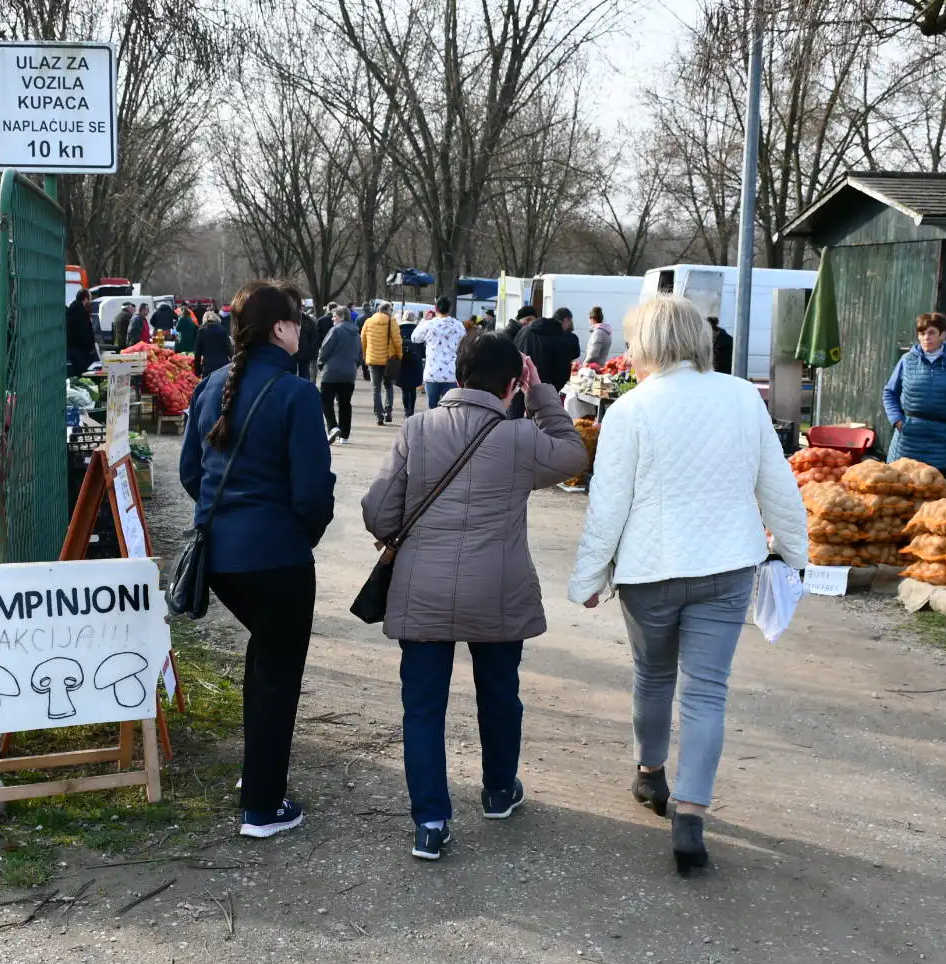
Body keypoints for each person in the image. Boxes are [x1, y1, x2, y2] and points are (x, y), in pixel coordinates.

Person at [568, 295, 808, 876]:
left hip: (651, 569)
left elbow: (608, 507)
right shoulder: (740, 398)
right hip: (727, 564)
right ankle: (692, 812)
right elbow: (777, 483)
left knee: (653, 675)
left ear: (644, 343)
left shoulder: (631, 409)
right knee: (707, 692)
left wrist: (589, 578)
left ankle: (651, 775)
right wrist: (795, 555)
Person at [361, 333, 590, 860]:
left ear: (456, 376)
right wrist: (542, 397)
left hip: (422, 587)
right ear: (513, 384)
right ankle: (497, 790)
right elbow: (574, 454)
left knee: (422, 707)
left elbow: (377, 511)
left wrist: (401, 529)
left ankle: (431, 822)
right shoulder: (520, 439)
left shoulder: (417, 429)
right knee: (500, 694)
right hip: (499, 589)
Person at [179, 281, 336, 839]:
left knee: (263, 664)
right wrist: (301, 536)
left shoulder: (212, 385)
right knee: (276, 675)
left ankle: (258, 779)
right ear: (279, 328)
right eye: (297, 320)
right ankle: (263, 807)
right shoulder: (296, 395)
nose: (302, 328)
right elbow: (314, 495)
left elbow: (191, 475)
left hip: (221, 560)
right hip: (278, 559)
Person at [882, 312, 946, 473]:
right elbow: (889, 393)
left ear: (943, 335)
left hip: (942, 438)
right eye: (922, 333)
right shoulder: (907, 360)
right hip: (909, 437)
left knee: (937, 493)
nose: (926, 338)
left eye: (931, 333)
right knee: (901, 491)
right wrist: (897, 421)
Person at [511, 305, 576, 418]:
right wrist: (554, 389)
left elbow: (513, 353)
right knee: (540, 425)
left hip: (518, 385)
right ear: (565, 321)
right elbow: (563, 370)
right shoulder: (560, 337)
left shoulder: (525, 330)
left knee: (514, 423)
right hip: (543, 391)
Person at [317, 306, 361, 443]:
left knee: (325, 399)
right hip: (349, 373)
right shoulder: (356, 333)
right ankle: (345, 435)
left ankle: (332, 426)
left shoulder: (336, 330)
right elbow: (360, 353)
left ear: (341, 317)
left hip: (332, 371)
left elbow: (325, 348)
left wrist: (320, 361)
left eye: (334, 316)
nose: (332, 318)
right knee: (345, 403)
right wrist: (354, 366)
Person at [414, 294, 466, 409]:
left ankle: (434, 427)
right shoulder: (458, 326)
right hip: (451, 373)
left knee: (432, 408)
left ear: (435, 309)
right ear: (450, 308)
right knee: (450, 409)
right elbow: (464, 344)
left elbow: (415, 338)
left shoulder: (428, 325)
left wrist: (423, 320)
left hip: (432, 374)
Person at [361, 300, 402, 424]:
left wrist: (365, 356)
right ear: (387, 310)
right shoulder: (392, 322)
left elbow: (363, 340)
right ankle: (388, 411)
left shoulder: (368, 322)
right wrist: (399, 356)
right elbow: (397, 341)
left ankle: (379, 415)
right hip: (388, 360)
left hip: (373, 360)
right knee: (388, 386)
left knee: (376, 389)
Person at [65, 288, 99, 377]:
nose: (90, 301)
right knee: (81, 373)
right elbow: (83, 331)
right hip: (79, 350)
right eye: (90, 299)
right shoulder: (79, 311)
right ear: (85, 298)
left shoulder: (74, 308)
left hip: (75, 348)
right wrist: (90, 347)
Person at [397, 311, 424, 419]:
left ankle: (406, 411)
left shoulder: (398, 329)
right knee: (413, 388)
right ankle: (411, 410)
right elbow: (422, 345)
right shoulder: (418, 329)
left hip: (402, 361)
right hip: (415, 360)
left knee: (404, 388)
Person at [195, 310, 232, 377]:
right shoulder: (222, 330)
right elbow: (229, 348)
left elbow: (197, 353)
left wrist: (197, 371)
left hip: (208, 367)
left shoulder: (201, 331)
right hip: (223, 366)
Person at [295, 306, 320, 381]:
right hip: (292, 354)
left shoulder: (308, 320)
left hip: (304, 354)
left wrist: (311, 353)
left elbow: (314, 337)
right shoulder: (288, 318)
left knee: (304, 376)